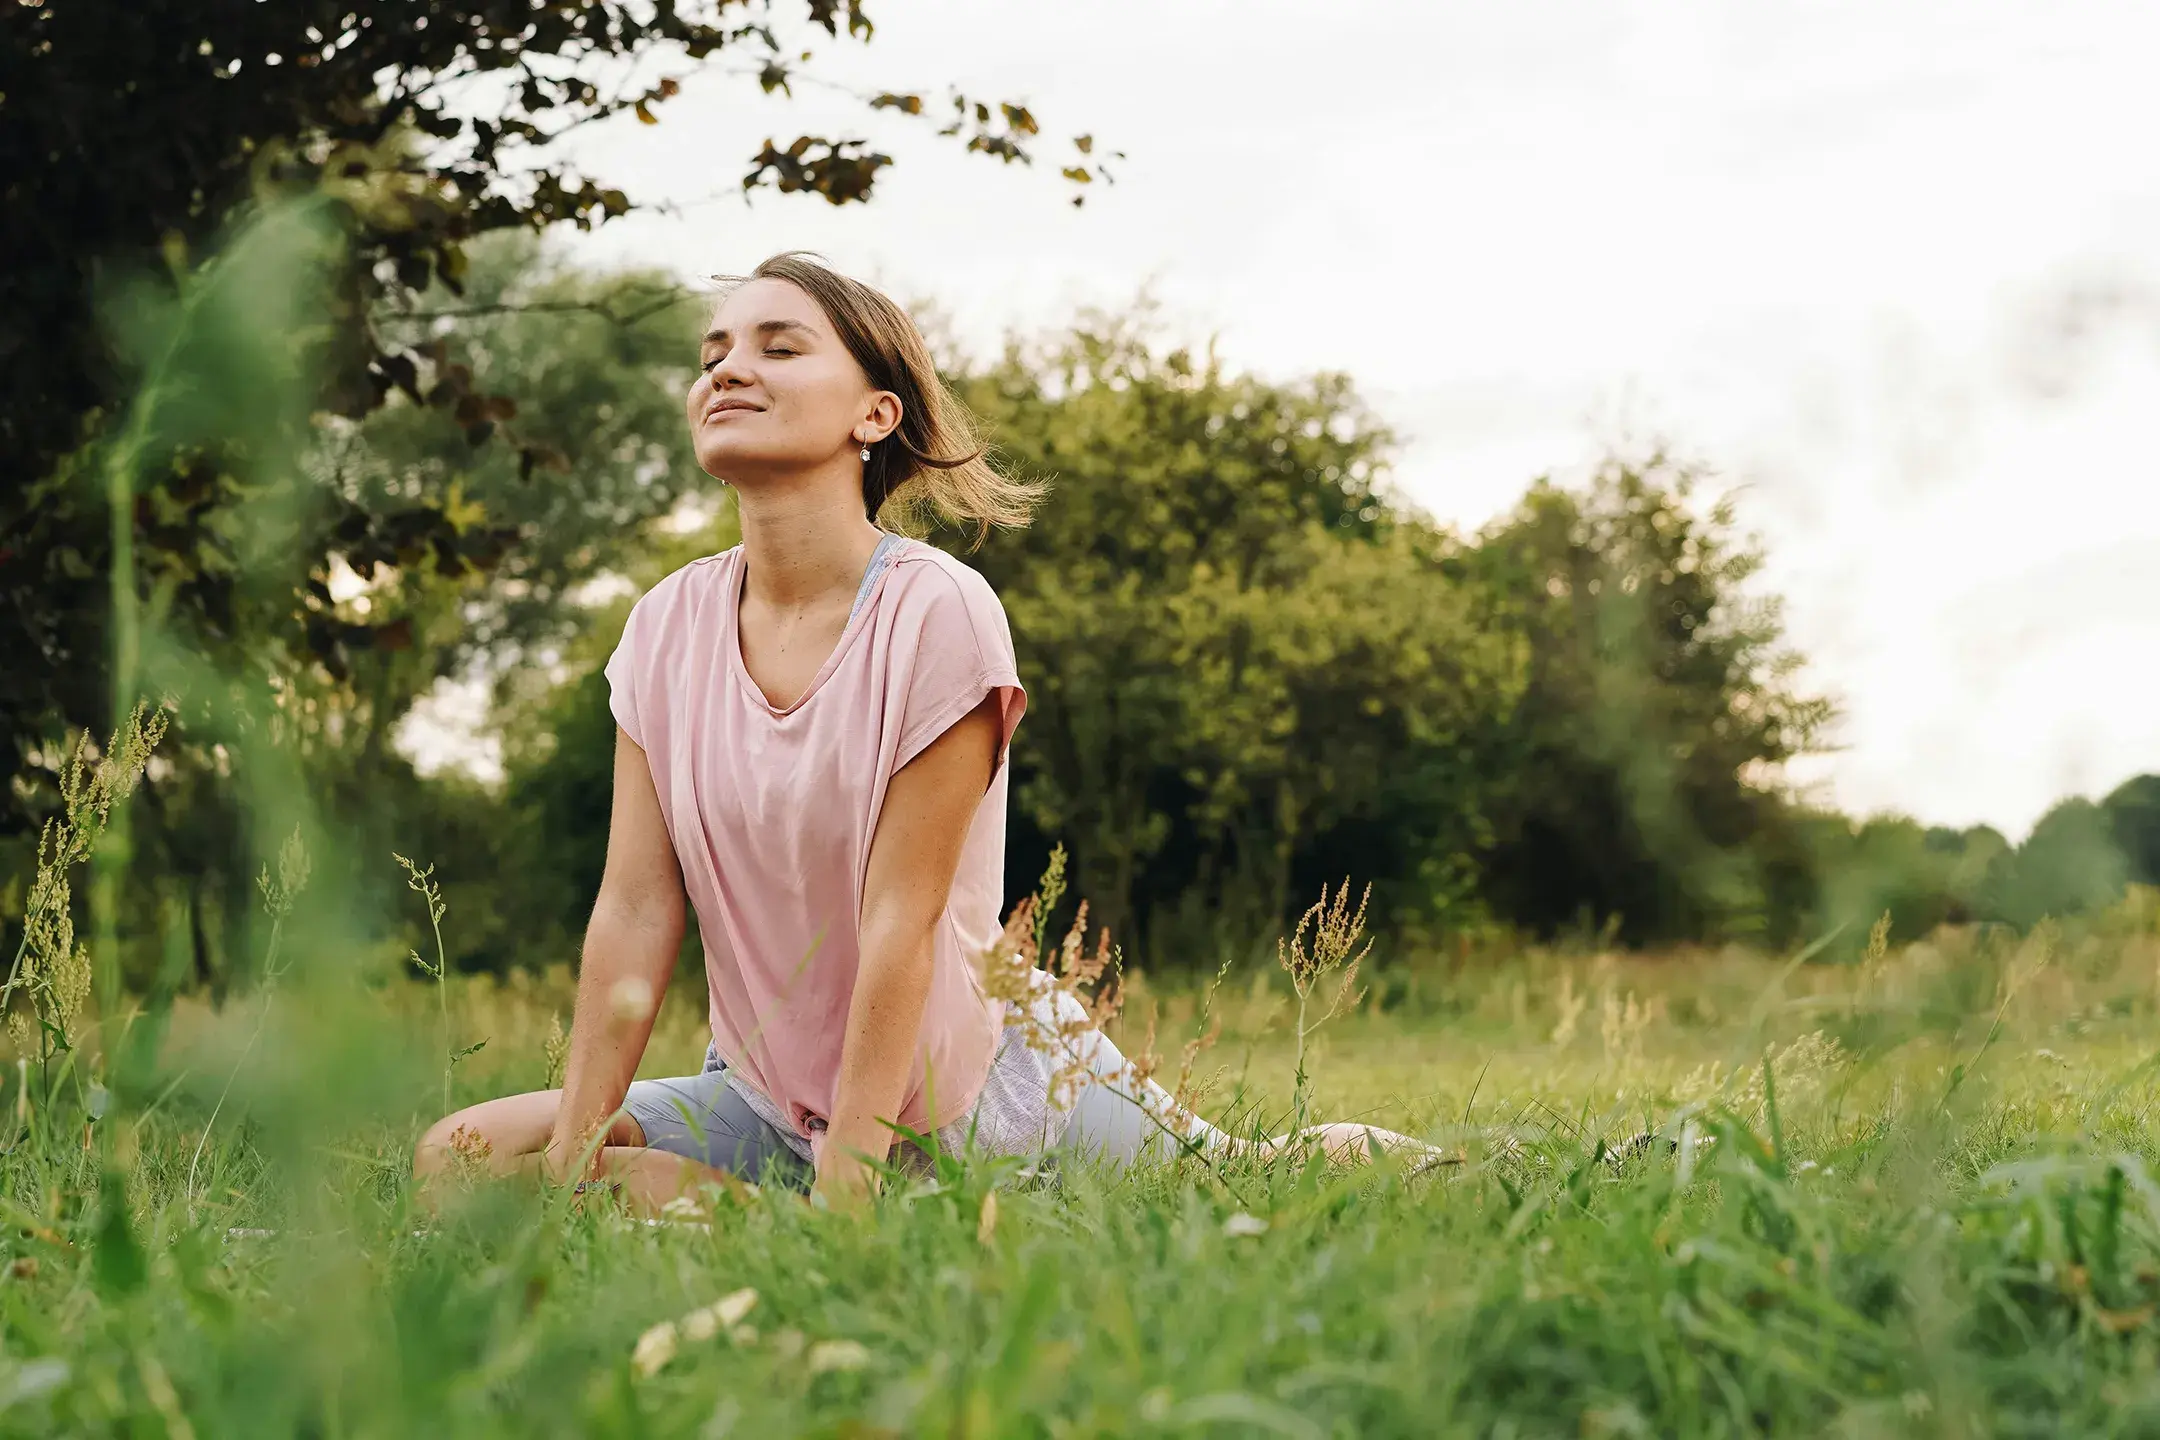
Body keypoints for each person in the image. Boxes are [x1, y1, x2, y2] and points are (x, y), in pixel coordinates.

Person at [413, 254, 1422, 1212]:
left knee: (1257, 1176)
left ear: (876, 413)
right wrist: (575, 1158)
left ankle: (1463, 1164)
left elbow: (903, 919)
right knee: (459, 1156)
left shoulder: (939, 610)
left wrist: (848, 1192)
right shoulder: (662, 629)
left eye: (779, 346)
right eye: (713, 353)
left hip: (967, 1089)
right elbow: (634, 909)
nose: (728, 370)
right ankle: (766, 1214)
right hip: (770, 1099)